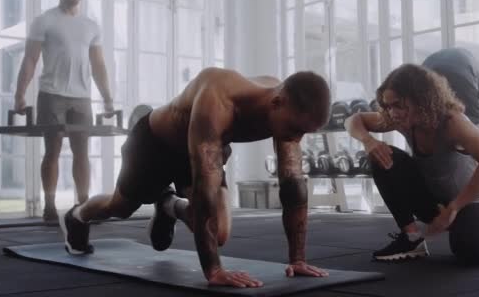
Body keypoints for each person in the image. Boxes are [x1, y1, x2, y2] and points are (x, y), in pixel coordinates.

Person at [60, 68, 331, 288]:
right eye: (296, 129)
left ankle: (167, 205)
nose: (297, 138)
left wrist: (297, 259)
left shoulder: (286, 111)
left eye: (305, 132)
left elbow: (293, 187)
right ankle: (77, 215)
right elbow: (204, 193)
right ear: (276, 102)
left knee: (220, 232)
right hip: (155, 146)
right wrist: (213, 270)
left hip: (205, 146)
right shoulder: (218, 100)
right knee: (118, 208)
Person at [345, 61, 479, 266]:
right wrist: (369, 142)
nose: (392, 112)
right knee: (381, 155)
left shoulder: (452, 122)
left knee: (471, 250)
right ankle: (411, 238)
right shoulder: (401, 119)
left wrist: (455, 207)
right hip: (435, 202)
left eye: (398, 105)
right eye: (388, 106)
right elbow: (353, 120)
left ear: (421, 100)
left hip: (474, 202)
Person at [14, 0, 114, 222]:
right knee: (52, 151)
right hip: (51, 95)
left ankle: (83, 205)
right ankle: (49, 206)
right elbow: (30, 60)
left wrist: (108, 98)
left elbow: (98, 65)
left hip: (82, 97)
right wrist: (19, 94)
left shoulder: (90, 25)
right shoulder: (44, 21)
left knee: (82, 153)